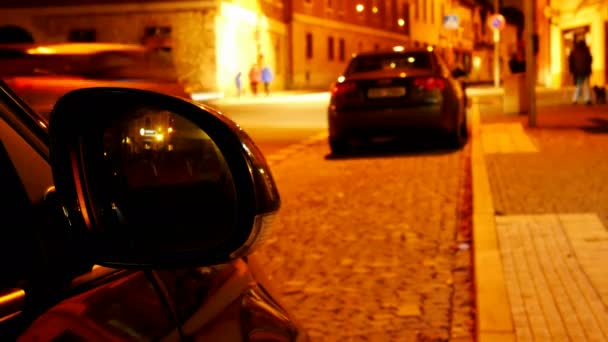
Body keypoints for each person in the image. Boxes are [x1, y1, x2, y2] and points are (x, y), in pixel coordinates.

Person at [568, 40, 593, 104]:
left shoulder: (574, 51)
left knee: (578, 86)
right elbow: (590, 60)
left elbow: (570, 61)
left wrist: (571, 70)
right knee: (586, 85)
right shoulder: (586, 51)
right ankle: (587, 99)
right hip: (585, 71)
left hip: (577, 72)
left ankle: (574, 100)